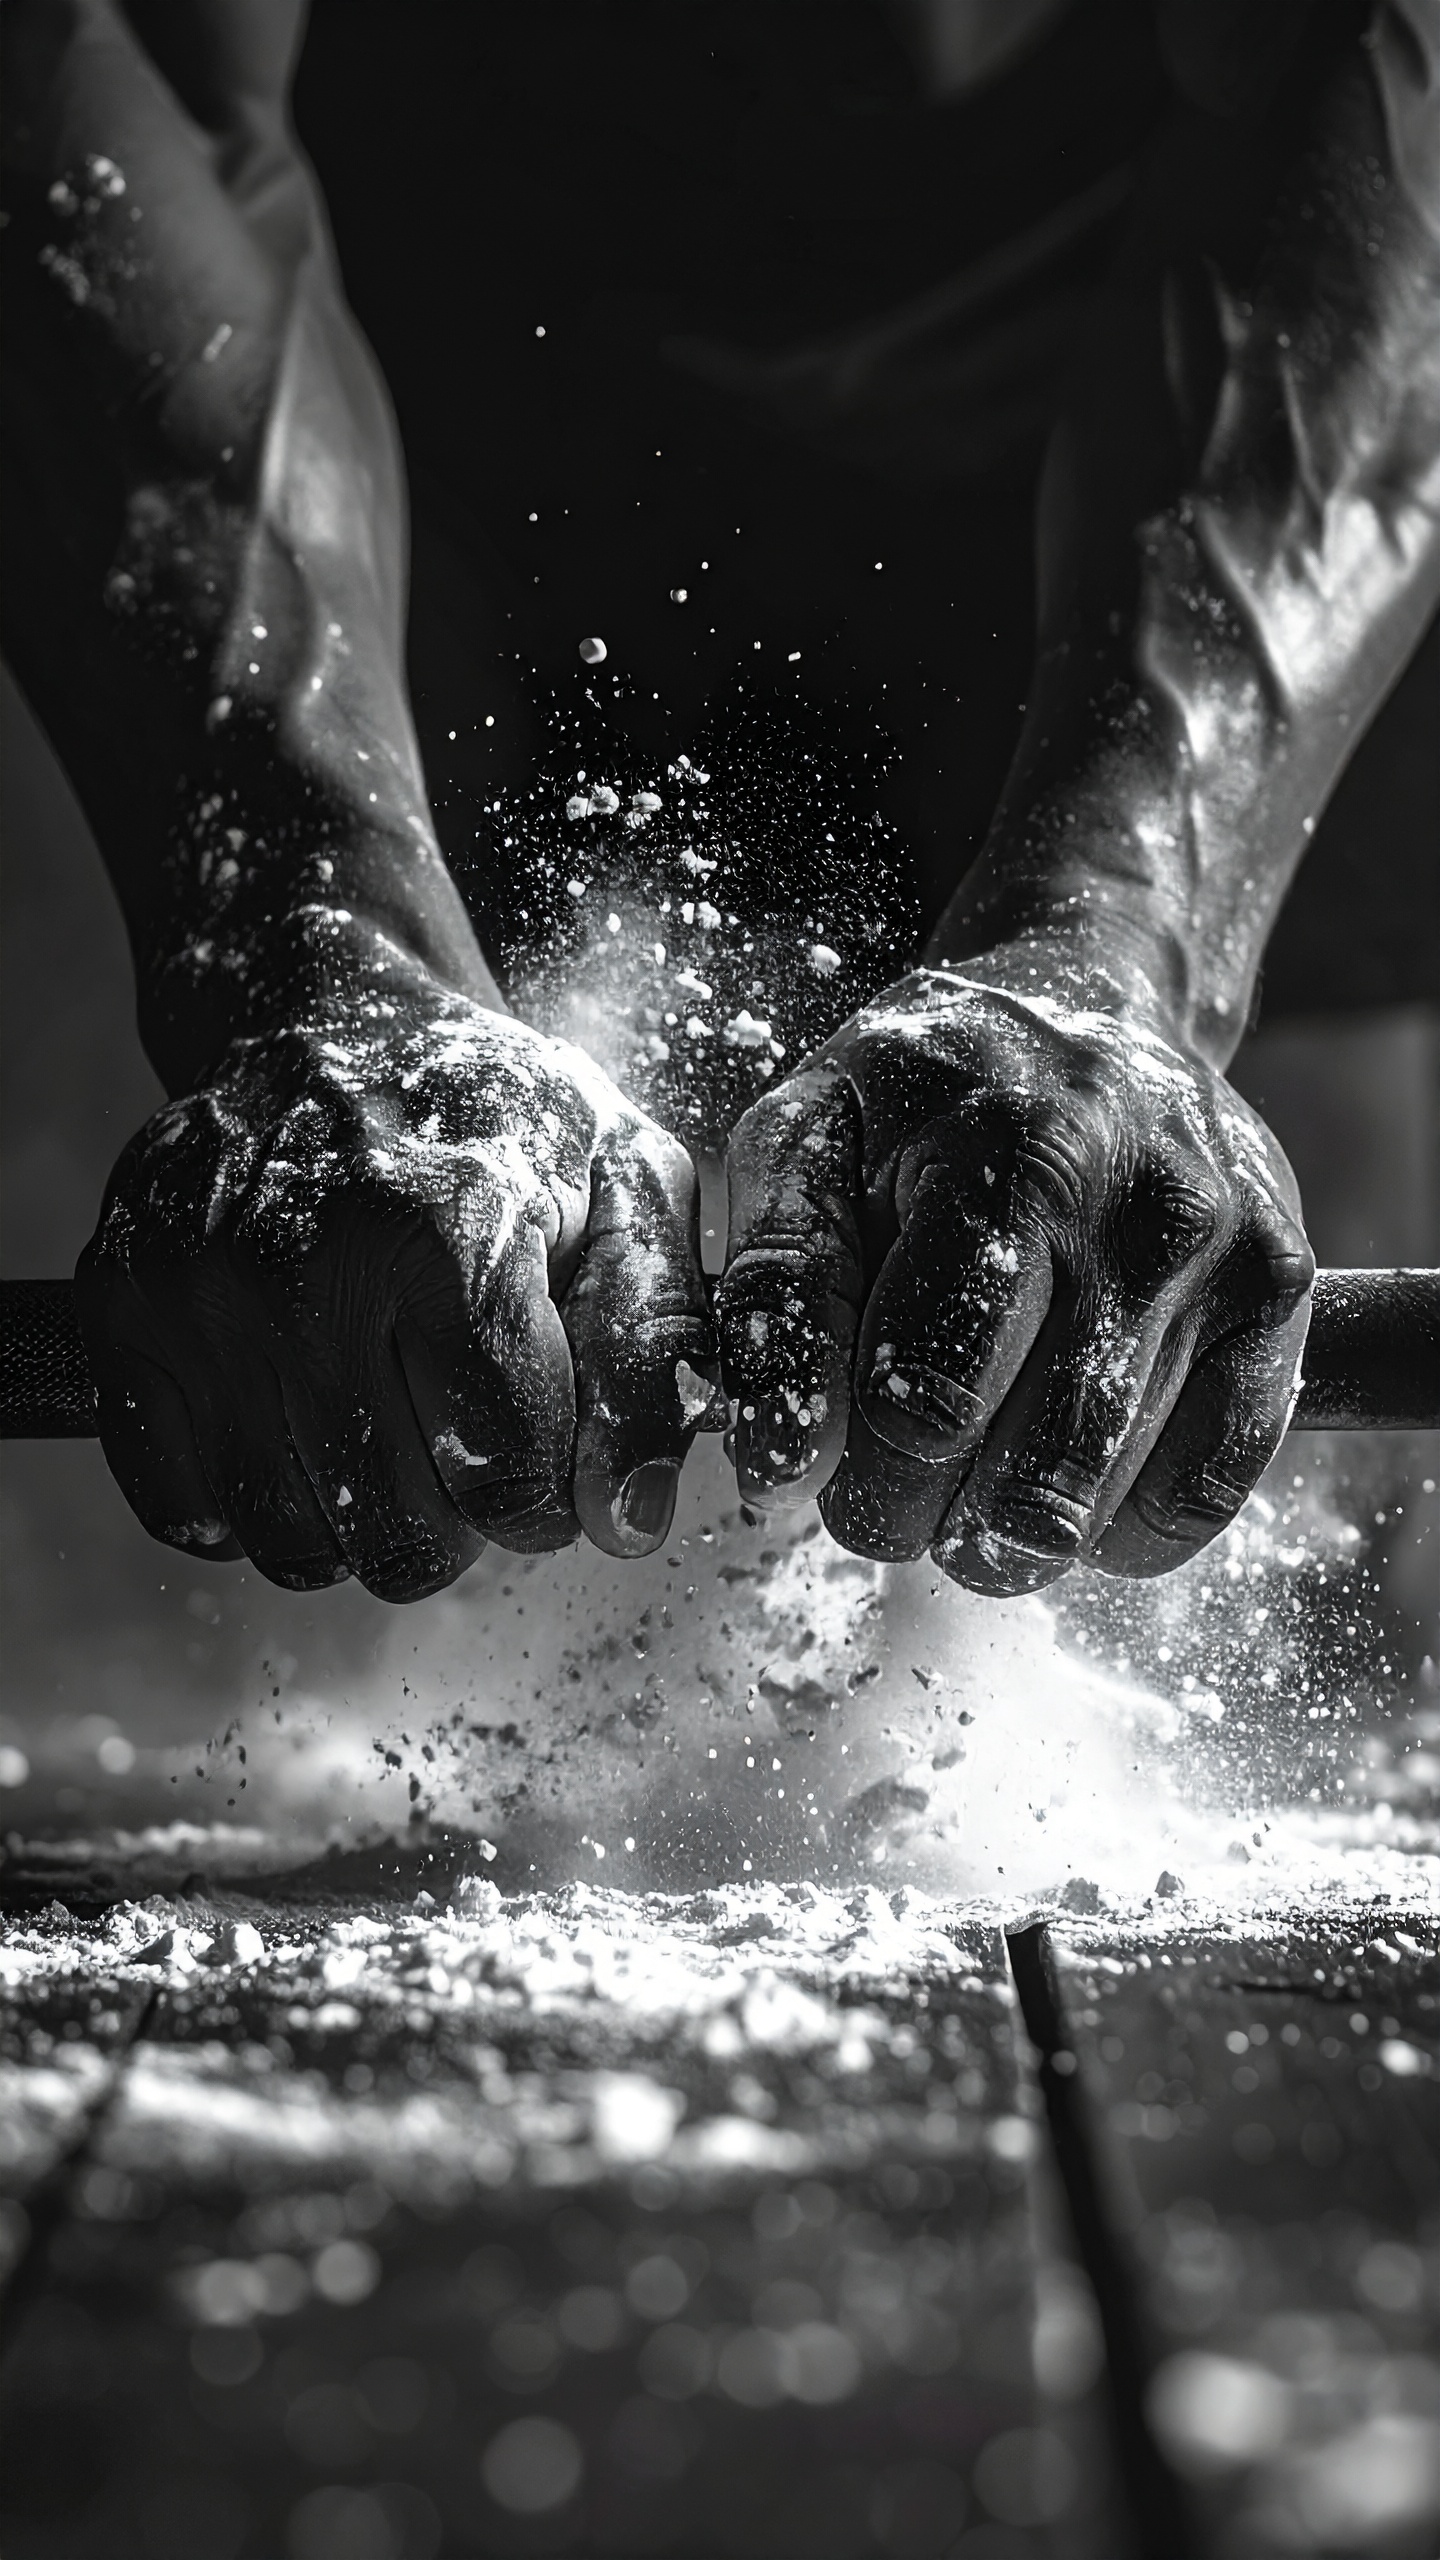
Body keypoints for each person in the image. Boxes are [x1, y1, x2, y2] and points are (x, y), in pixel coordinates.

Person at [3, 0, 1436, 1604]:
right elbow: (130, 72)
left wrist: (1120, 938)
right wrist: (313, 935)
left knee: (1275, 1465)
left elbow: (1365, 71)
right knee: (410, 1322)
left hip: (1192, 391)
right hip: (441, 416)